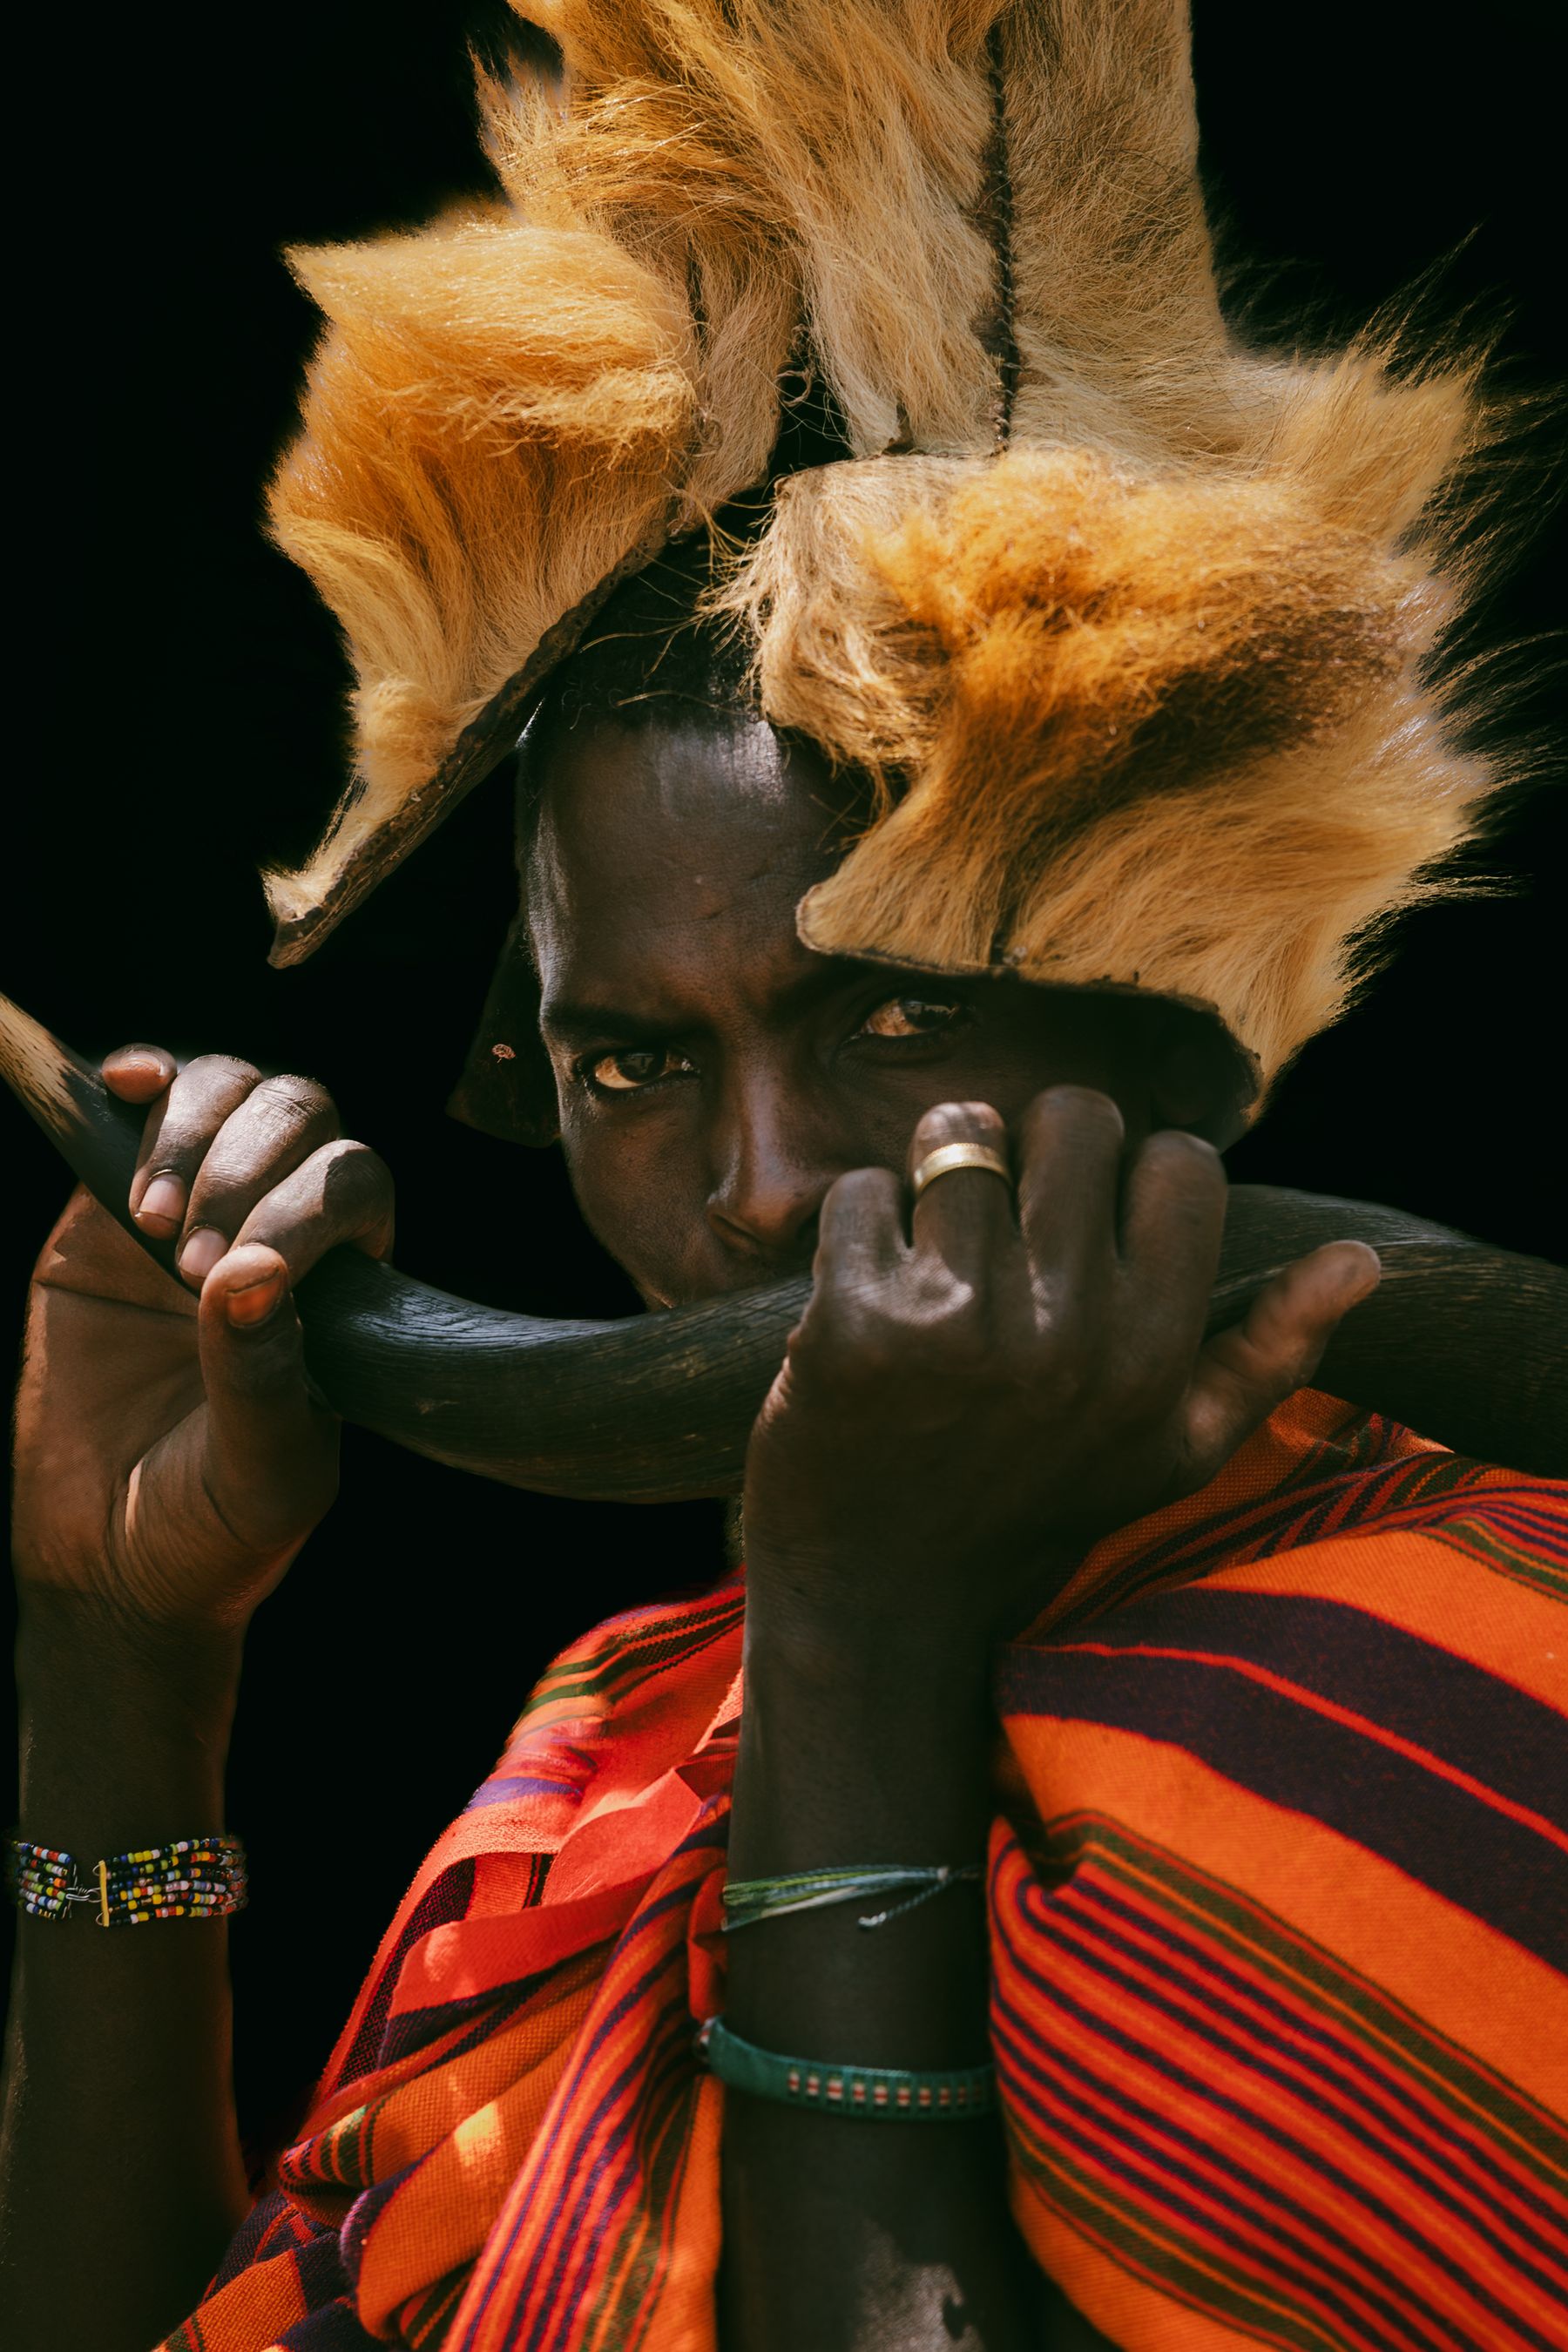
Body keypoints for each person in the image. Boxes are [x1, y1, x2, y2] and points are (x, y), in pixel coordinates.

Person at [3, 5, 1564, 2349]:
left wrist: (866, 1638)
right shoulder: (615, 1741)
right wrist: (129, 1661)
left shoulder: (1470, 1670)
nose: (752, 1187)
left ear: (1180, 1041)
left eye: (896, 1015)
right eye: (634, 1058)